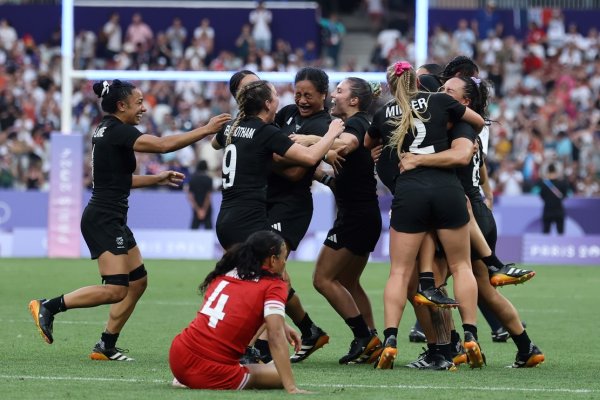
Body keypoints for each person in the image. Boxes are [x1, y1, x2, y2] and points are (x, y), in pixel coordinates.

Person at [28, 79, 230, 360]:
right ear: (121, 106)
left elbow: (118, 181)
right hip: (104, 218)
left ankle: (106, 345)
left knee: (137, 282)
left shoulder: (106, 130)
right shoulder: (118, 131)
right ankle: (49, 306)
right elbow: (162, 145)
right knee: (115, 289)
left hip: (111, 216)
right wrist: (206, 130)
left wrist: (157, 178)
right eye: (138, 103)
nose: (144, 109)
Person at [402, 75, 545, 369]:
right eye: (439, 89)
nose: (440, 93)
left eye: (447, 90)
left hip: (459, 211)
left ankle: (446, 348)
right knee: (483, 288)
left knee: (432, 286)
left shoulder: (460, 124)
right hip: (475, 208)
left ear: (465, 102)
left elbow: (460, 156)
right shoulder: (455, 123)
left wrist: (414, 160)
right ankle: (525, 346)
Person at [375, 61, 485, 370]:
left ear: (390, 86)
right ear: (421, 81)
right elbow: (478, 121)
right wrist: (451, 122)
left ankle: (391, 340)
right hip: (447, 188)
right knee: (461, 266)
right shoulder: (440, 101)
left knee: (399, 272)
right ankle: (471, 335)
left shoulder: (384, 114)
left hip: (410, 192)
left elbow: (370, 146)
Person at [211, 79, 344, 250]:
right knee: (271, 267)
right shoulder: (266, 132)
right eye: (275, 95)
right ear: (267, 103)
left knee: (249, 270)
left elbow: (215, 143)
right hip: (249, 217)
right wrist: (331, 134)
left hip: (225, 217)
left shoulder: (231, 127)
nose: (278, 98)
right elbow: (310, 158)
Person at [169, 231, 308, 393]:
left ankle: (184, 378)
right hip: (210, 372)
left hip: (178, 355)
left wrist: (282, 324)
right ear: (272, 260)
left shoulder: (230, 271)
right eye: (284, 257)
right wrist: (291, 387)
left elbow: (235, 309)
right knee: (279, 374)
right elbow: (275, 337)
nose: (285, 262)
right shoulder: (274, 285)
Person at [265, 67, 337, 363]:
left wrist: (267, 161)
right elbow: (272, 150)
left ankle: (265, 341)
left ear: (323, 94)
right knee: (273, 269)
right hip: (268, 199)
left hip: (292, 204)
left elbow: (296, 172)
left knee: (267, 265)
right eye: (298, 94)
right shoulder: (286, 114)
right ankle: (309, 331)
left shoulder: (325, 124)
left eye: (309, 95)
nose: (302, 100)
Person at [310, 77, 383, 365]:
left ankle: (363, 337)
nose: (333, 95)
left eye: (340, 91)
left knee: (322, 279)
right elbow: (341, 178)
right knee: (349, 282)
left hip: (355, 218)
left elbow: (346, 145)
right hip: (364, 215)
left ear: (354, 101)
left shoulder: (357, 124)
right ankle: (372, 340)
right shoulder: (362, 121)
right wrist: (317, 171)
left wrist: (308, 140)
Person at [534, 163, 570, 235]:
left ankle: (546, 246)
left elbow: (541, 196)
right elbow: (565, 195)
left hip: (548, 210)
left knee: (546, 232)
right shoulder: (562, 183)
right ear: (556, 171)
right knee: (560, 233)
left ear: (548, 172)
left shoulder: (544, 184)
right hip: (558, 210)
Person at [186, 160, 213, 230]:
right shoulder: (209, 179)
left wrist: (198, 210)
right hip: (207, 209)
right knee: (209, 231)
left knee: (193, 231)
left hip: (196, 208)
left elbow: (190, 196)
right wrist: (203, 210)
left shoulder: (192, 179)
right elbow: (208, 196)